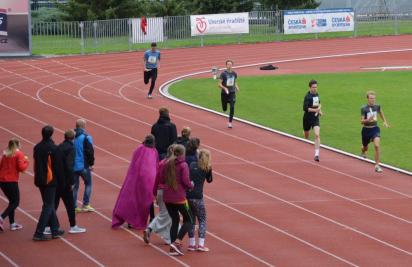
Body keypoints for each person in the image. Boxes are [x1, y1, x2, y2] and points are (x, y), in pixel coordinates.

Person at [153, 144, 194, 256]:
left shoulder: (166, 163)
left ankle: (172, 247)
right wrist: (191, 185)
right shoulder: (183, 165)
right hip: (180, 198)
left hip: (167, 198)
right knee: (190, 219)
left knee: (175, 221)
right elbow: (186, 181)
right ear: (182, 153)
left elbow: (161, 179)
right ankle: (177, 241)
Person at [112, 135, 159, 229]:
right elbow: (156, 165)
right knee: (148, 199)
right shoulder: (154, 151)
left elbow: (134, 162)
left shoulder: (140, 148)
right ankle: (151, 218)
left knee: (133, 199)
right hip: (149, 180)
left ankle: (131, 220)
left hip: (137, 178)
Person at [45, 130, 86, 235]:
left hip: (56, 181)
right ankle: (73, 226)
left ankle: (47, 226)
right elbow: (69, 166)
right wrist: (71, 182)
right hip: (65, 182)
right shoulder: (71, 148)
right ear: (73, 138)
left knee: (54, 204)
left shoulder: (59, 146)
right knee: (70, 205)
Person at [32, 125, 65, 241]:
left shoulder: (37, 147)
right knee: (48, 206)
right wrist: (62, 182)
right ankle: (39, 232)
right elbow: (58, 167)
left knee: (48, 204)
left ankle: (55, 230)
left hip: (40, 179)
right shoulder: (54, 148)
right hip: (50, 180)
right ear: (51, 134)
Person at [144, 144, 175, 245]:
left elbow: (156, 178)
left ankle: (168, 238)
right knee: (168, 214)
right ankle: (149, 229)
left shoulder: (161, 163)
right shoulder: (172, 164)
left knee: (167, 214)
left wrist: (154, 192)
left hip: (160, 191)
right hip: (168, 192)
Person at [0, 138, 29, 232]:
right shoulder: (19, 153)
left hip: (2, 180)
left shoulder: (5, 153)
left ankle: (12, 224)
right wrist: (26, 162)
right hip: (11, 181)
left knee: (12, 201)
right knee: (15, 202)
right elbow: (21, 168)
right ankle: (1, 217)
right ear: (17, 145)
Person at [187, 149, 213, 252]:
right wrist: (210, 169)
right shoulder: (206, 168)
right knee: (202, 219)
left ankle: (191, 244)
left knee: (191, 219)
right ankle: (201, 244)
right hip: (198, 197)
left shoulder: (192, 164)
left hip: (188, 196)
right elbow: (210, 180)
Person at [360, 90, 390, 173]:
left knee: (376, 145)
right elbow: (361, 121)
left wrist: (385, 121)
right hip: (366, 130)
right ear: (367, 99)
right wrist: (368, 119)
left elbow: (381, 112)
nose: (373, 100)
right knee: (365, 147)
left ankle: (377, 165)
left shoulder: (377, 106)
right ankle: (363, 150)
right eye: (371, 98)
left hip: (375, 129)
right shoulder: (364, 108)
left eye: (374, 98)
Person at [73, 119, 95, 213]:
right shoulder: (86, 137)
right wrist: (91, 164)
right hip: (83, 166)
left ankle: (73, 206)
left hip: (73, 166)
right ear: (83, 126)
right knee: (88, 184)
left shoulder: (71, 136)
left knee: (75, 187)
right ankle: (86, 204)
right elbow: (90, 151)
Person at [303, 79, 323, 162]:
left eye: (316, 87)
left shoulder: (317, 94)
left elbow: (318, 103)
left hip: (315, 118)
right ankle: (306, 137)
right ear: (309, 87)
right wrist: (315, 110)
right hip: (307, 118)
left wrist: (320, 111)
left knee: (317, 135)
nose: (315, 89)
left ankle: (316, 154)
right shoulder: (307, 97)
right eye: (313, 87)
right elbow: (305, 108)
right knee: (306, 134)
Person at [219, 60, 240, 129]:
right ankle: (226, 102)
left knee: (232, 107)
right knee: (224, 109)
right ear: (226, 65)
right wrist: (224, 88)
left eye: (230, 64)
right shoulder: (223, 74)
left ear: (232, 65)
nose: (229, 66)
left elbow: (234, 82)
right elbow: (219, 84)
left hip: (232, 92)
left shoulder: (234, 73)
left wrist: (236, 87)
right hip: (224, 93)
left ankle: (230, 123)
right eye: (228, 64)